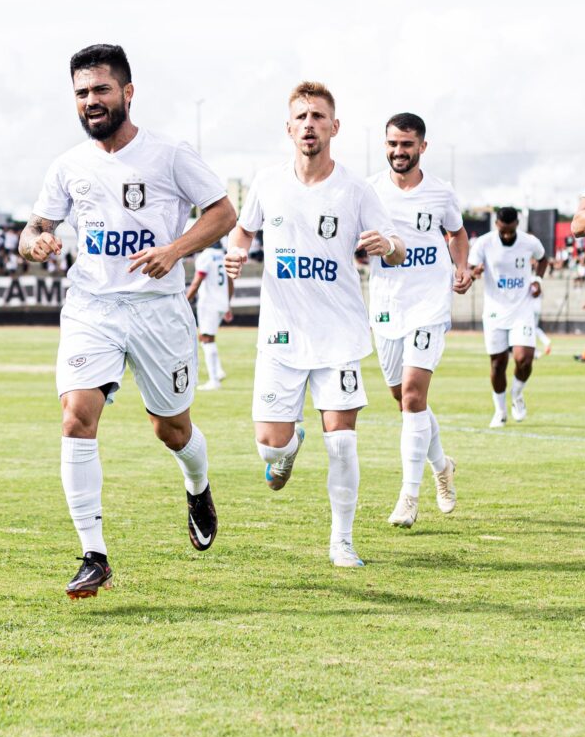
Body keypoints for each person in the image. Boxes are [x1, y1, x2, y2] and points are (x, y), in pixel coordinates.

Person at [20, 44, 236, 599]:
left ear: (127, 93)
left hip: (158, 310)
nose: (91, 101)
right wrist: (35, 241)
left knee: (172, 429)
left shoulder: (168, 155)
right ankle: (94, 555)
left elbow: (222, 213)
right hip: (93, 307)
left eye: (101, 90)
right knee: (76, 415)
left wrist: (175, 249)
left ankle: (197, 484)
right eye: (82, 93)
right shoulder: (68, 166)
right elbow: (34, 227)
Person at [224, 81, 404, 568]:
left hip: (340, 333)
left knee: (342, 440)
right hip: (280, 334)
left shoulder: (356, 189)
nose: (310, 124)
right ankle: (288, 447)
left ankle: (341, 541)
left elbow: (396, 243)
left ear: (334, 127)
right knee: (269, 447)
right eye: (301, 117)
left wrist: (387, 246)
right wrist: (237, 249)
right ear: (289, 128)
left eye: (318, 117)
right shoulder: (267, 182)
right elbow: (243, 227)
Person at [367, 113, 472, 529]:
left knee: (413, 393)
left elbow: (457, 234)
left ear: (422, 147)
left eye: (406, 145)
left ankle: (409, 497)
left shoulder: (441, 193)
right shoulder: (370, 191)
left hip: (429, 305)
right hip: (386, 306)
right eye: (392, 144)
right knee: (403, 399)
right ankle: (442, 464)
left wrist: (461, 267)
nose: (398, 152)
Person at [468, 207, 547, 427]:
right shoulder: (484, 243)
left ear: (516, 224)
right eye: (503, 230)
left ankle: (517, 394)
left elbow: (542, 259)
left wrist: (537, 280)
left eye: (510, 230)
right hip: (495, 310)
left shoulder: (530, 242)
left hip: (522, 308)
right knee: (498, 363)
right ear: (497, 225)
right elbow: (471, 268)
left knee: (524, 358)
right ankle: (500, 411)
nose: (507, 235)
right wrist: (475, 273)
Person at [186, 241, 234, 390]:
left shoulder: (205, 257)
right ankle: (218, 371)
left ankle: (214, 381)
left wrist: (185, 301)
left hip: (209, 303)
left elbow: (196, 282)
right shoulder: (223, 255)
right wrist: (227, 303)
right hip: (221, 302)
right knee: (205, 337)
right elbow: (231, 282)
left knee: (207, 339)